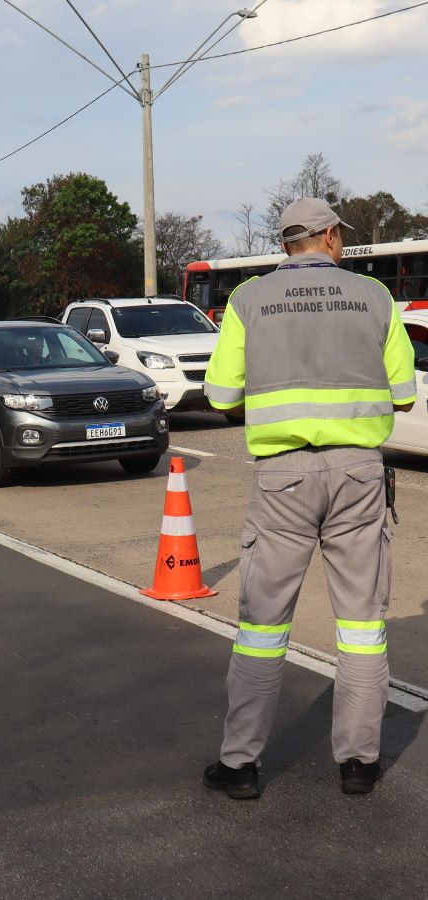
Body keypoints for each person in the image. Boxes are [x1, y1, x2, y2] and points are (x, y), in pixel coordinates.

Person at [201, 197, 416, 799]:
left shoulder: (247, 300)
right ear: (325, 237)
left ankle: (241, 766)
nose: (342, 243)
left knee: (262, 627)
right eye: (340, 235)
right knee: (362, 626)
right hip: (358, 476)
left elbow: (220, 396)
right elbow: (403, 395)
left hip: (282, 479)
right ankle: (358, 764)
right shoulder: (375, 296)